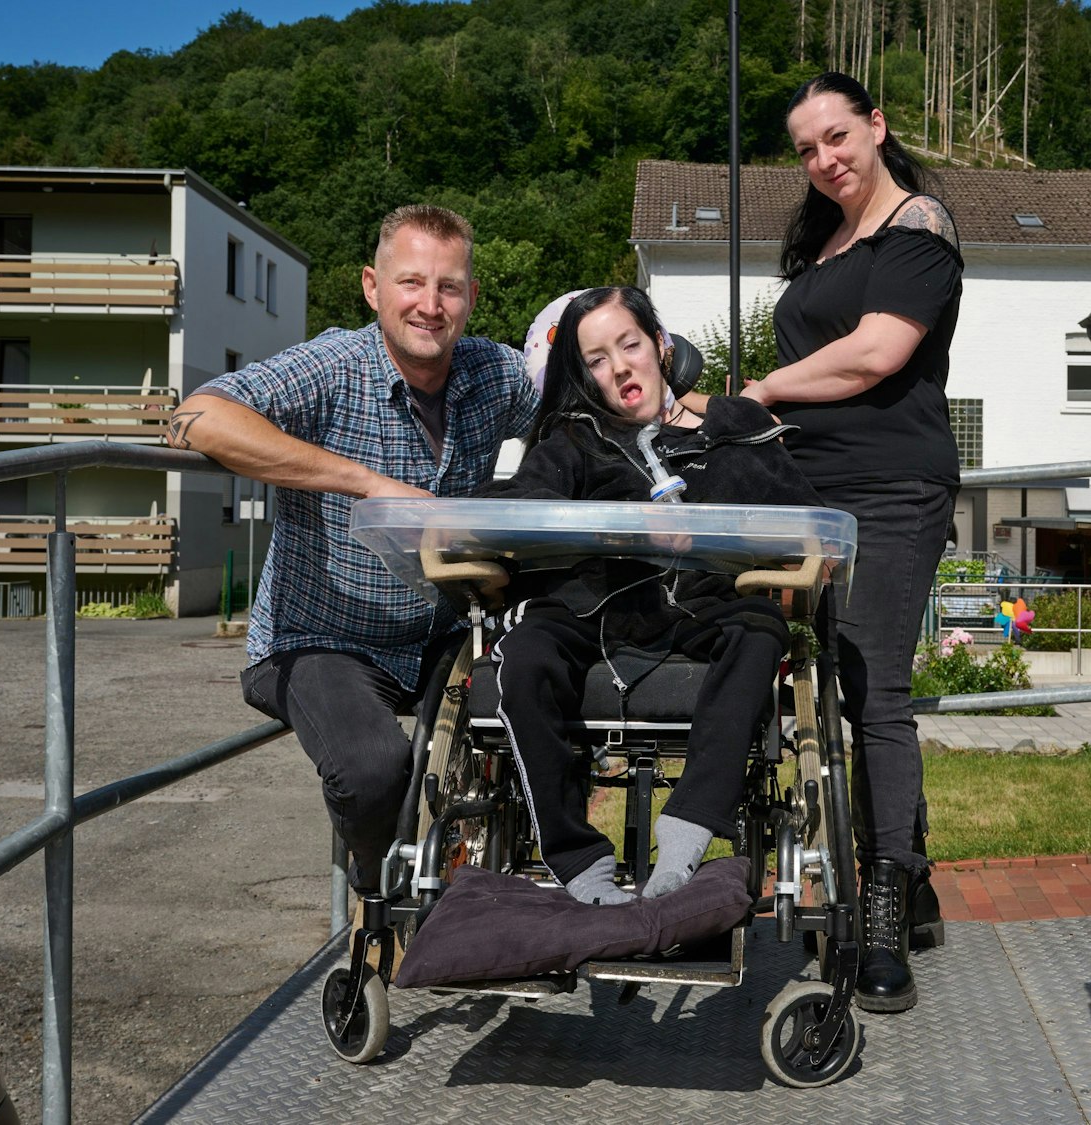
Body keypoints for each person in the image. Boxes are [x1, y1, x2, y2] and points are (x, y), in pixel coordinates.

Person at [165, 204, 538, 896]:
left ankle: (494, 886)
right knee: (372, 767)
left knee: (539, 707)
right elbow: (195, 416)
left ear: (472, 298)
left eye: (449, 287)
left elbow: (591, 396)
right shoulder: (334, 364)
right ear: (373, 286)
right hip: (320, 638)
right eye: (411, 283)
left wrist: (713, 405)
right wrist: (368, 484)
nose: (430, 305)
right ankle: (383, 901)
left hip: (444, 633)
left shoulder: (494, 372)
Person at [479, 286, 821, 905]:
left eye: (629, 344)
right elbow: (518, 512)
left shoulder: (732, 427)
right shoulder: (574, 443)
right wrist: (626, 521)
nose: (619, 367)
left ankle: (687, 828)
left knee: (760, 630)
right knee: (524, 656)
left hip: (705, 604)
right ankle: (579, 863)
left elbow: (805, 521)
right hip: (592, 608)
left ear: (660, 346)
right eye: (597, 359)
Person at [744, 72, 963, 1013]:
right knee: (829, 680)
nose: (826, 159)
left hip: (893, 486)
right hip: (807, 487)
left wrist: (765, 387)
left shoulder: (921, 228)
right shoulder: (823, 237)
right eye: (806, 148)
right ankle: (915, 883)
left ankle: (880, 902)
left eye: (839, 136)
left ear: (878, 125)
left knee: (875, 683)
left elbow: (877, 353)